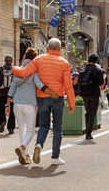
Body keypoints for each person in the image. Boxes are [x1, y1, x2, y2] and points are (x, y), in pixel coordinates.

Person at [11, 37, 75, 166]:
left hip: (42, 97)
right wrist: (72, 103)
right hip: (57, 97)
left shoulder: (39, 59)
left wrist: (12, 68)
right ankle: (55, 157)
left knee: (44, 125)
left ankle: (39, 144)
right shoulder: (65, 63)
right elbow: (68, 85)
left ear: (48, 48)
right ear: (59, 49)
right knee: (57, 128)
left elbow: (24, 73)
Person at [7, 48, 49, 165]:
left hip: (17, 103)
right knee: (30, 130)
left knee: (22, 129)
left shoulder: (18, 70)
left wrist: (7, 103)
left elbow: (12, 87)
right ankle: (22, 148)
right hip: (30, 103)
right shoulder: (34, 71)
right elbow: (39, 84)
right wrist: (50, 92)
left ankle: (26, 155)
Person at [78, 54, 105, 140]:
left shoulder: (83, 69)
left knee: (88, 112)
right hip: (93, 93)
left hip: (84, 94)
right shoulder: (97, 69)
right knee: (92, 114)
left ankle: (87, 129)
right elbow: (101, 83)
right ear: (96, 61)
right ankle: (88, 133)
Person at [0, 55, 16, 134]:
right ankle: (11, 128)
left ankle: (2, 121)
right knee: (12, 110)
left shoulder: (0, 69)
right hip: (12, 93)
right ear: (12, 61)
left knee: (1, 108)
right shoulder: (15, 69)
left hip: (2, 92)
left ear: (4, 61)